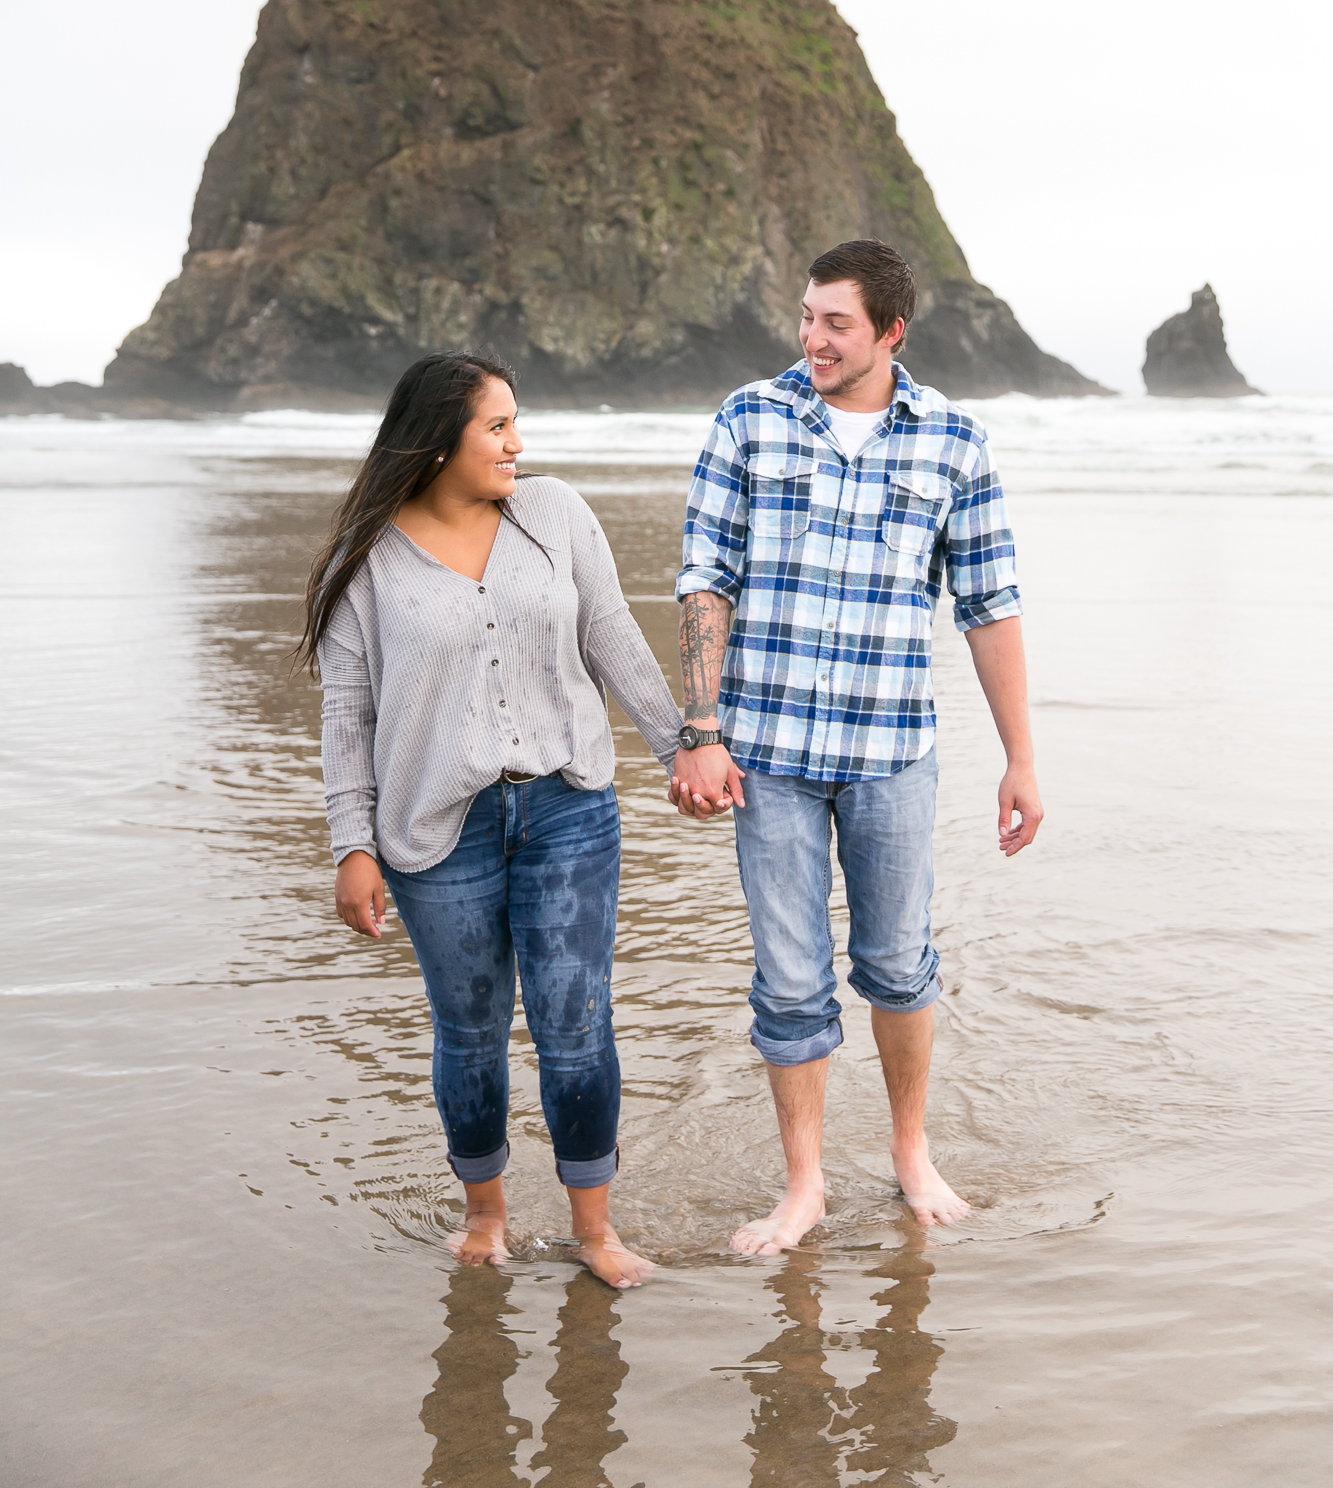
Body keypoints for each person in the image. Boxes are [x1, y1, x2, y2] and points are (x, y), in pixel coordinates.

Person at [670, 238, 1043, 1250]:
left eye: (835, 321)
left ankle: (909, 1153)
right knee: (789, 978)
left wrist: (1019, 755)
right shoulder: (749, 418)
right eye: (806, 316)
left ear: (890, 330)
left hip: (891, 749)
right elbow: (705, 577)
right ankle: (803, 1186)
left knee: (898, 963)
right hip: (770, 753)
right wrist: (698, 729)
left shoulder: (953, 441)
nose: (812, 336)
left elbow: (989, 605)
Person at [299, 351, 682, 1289]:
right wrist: (353, 845)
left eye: (517, 421)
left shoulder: (553, 514)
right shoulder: (367, 563)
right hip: (437, 829)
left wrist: (685, 746)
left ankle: (595, 1230)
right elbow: (347, 720)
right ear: (437, 442)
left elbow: (612, 635)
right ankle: (485, 1216)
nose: (518, 442)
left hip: (567, 805)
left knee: (573, 1020)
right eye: (496, 427)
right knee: (468, 1030)